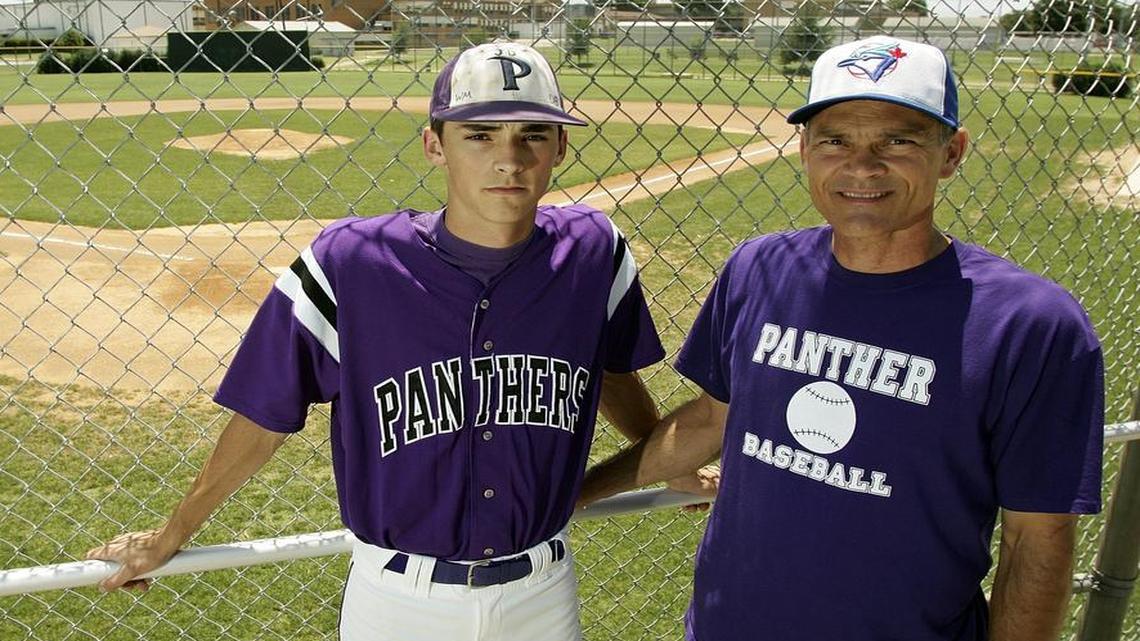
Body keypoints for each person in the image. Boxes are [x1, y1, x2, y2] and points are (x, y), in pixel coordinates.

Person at [86, 41, 705, 641]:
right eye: (480, 135)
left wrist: (667, 460)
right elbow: (262, 417)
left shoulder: (592, 253)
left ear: (561, 146)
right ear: (436, 145)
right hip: (400, 600)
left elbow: (606, 370)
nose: (509, 159)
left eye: (532, 135)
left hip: (543, 590)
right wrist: (174, 531)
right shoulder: (350, 264)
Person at [578, 36, 1104, 641]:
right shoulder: (759, 268)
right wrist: (582, 491)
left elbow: (1036, 537)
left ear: (952, 152)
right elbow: (712, 420)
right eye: (835, 140)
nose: (862, 165)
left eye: (897, 140)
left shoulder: (1030, 323)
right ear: (804, 150)